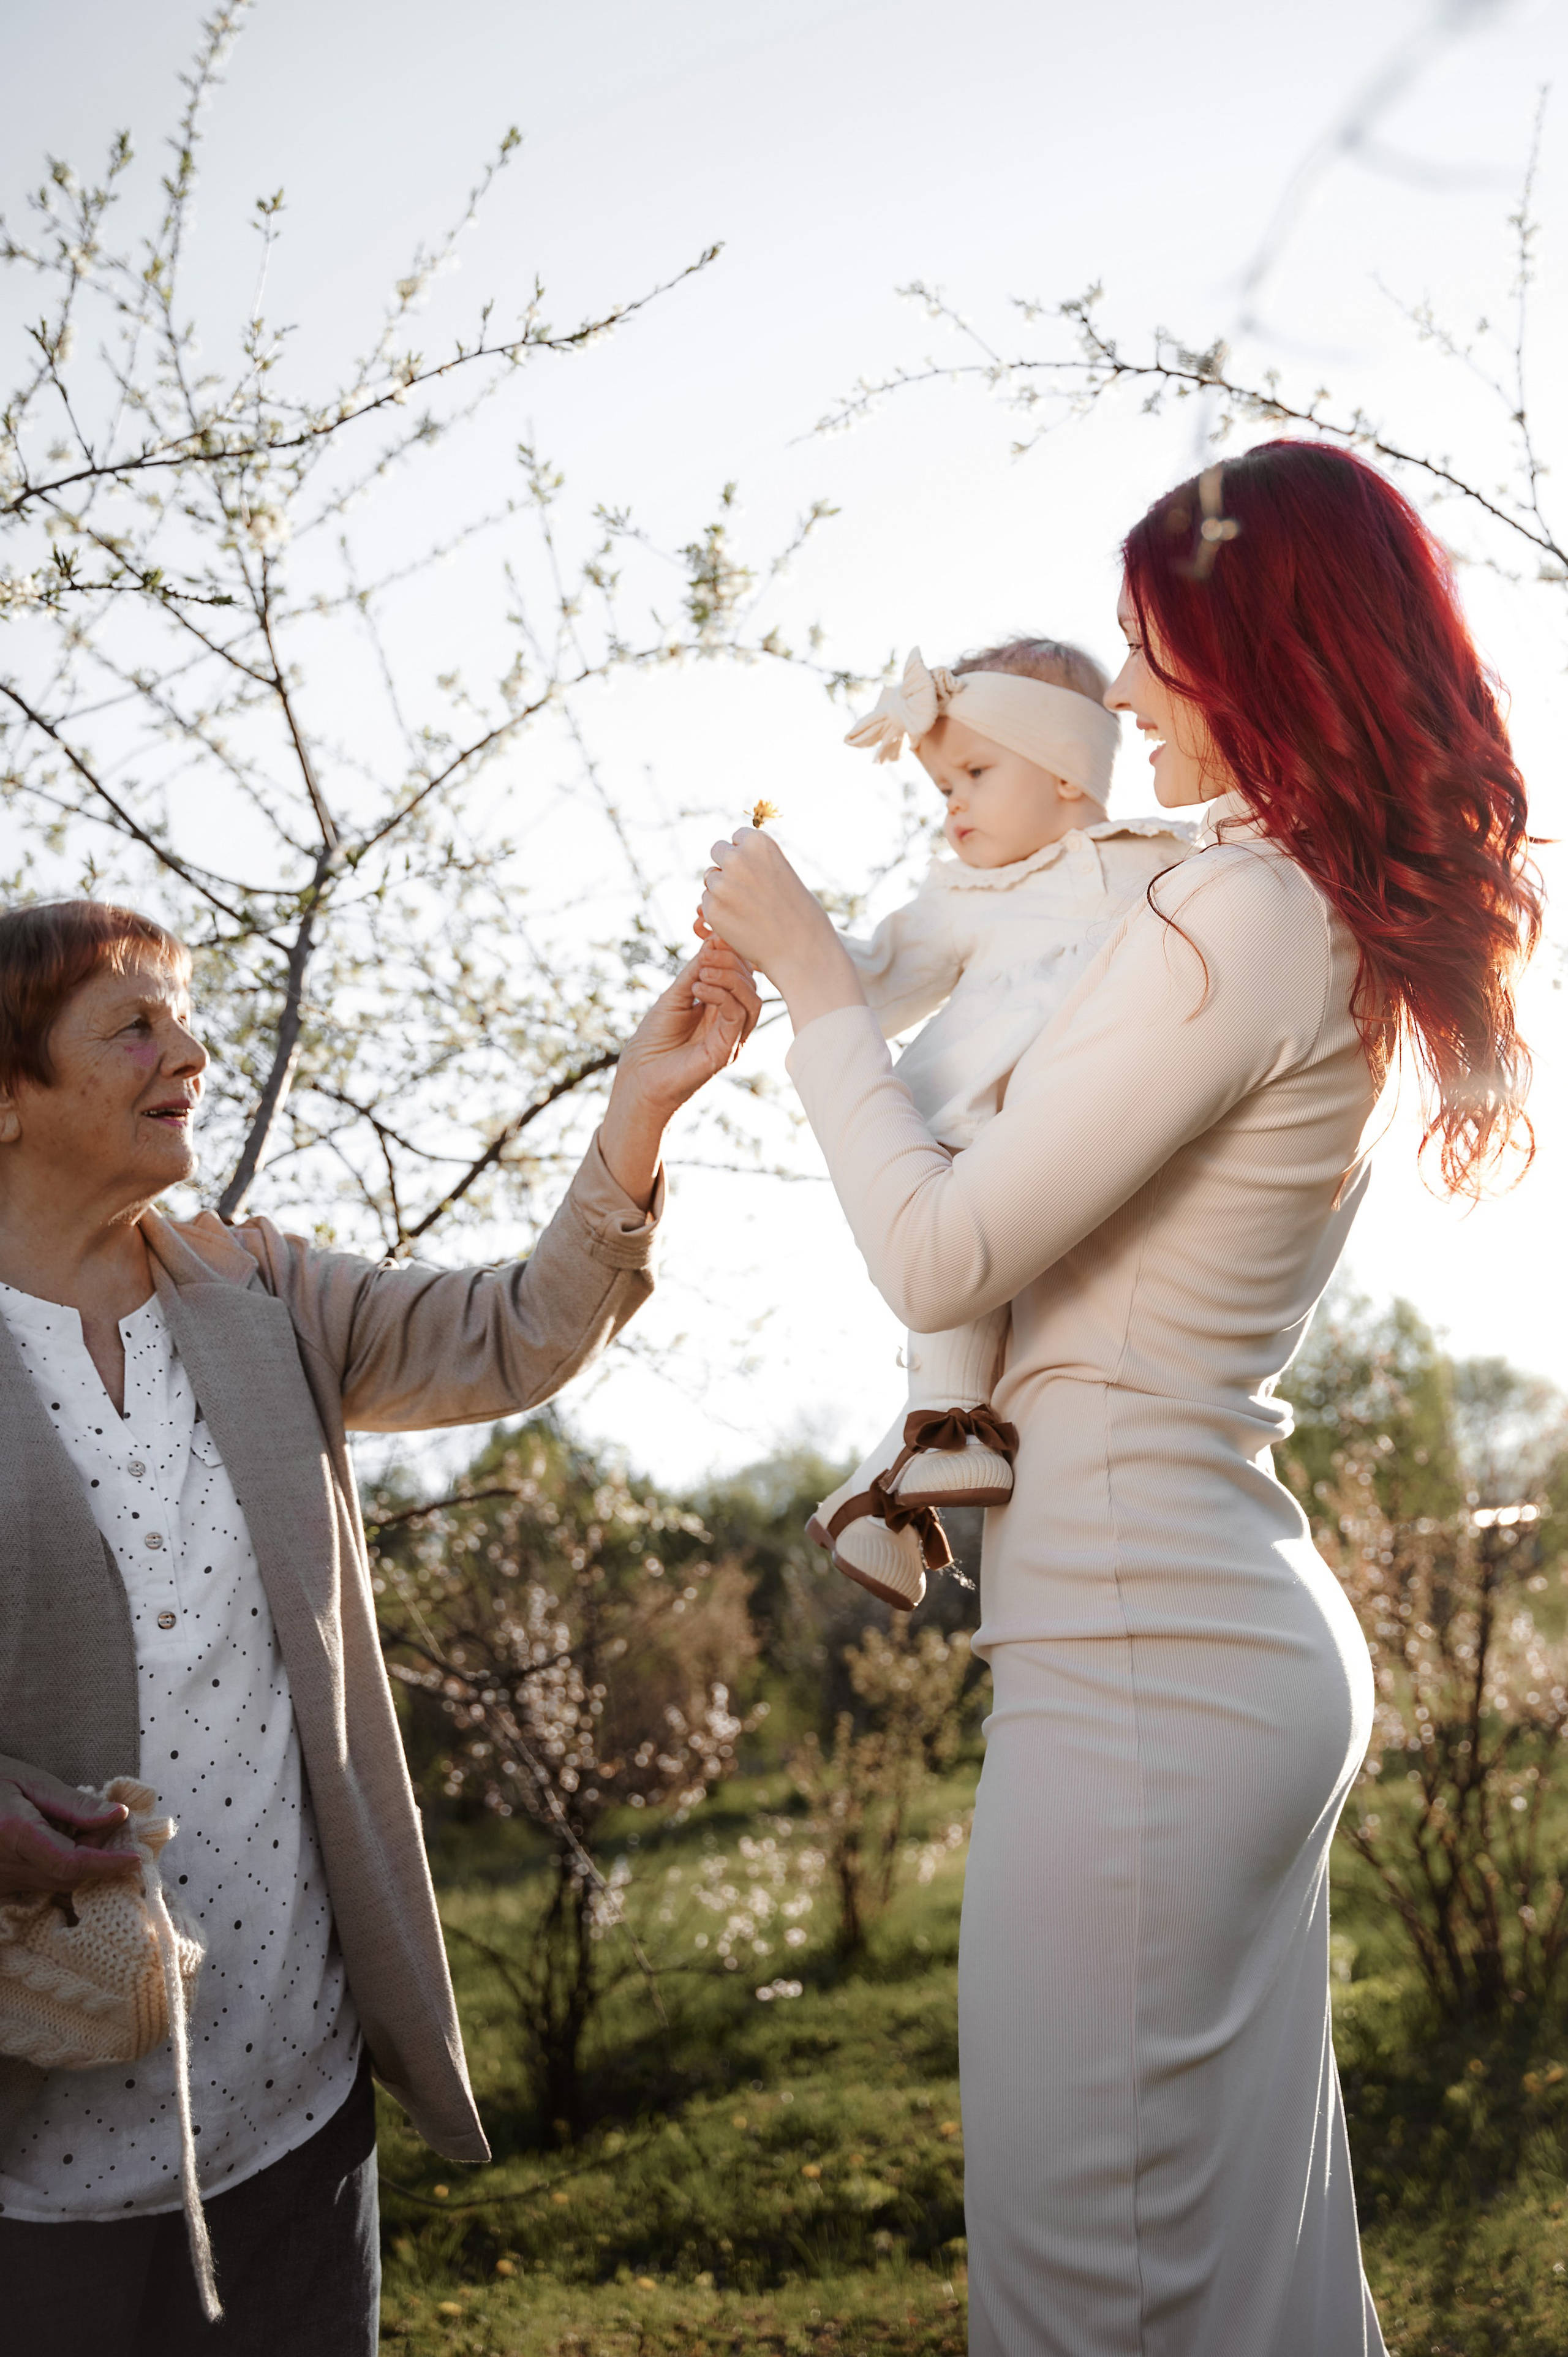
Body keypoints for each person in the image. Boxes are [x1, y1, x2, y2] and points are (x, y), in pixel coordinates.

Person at [701, 442, 1539, 2355]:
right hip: (1177, 1633)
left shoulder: (1244, 918)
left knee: (1085, 2299)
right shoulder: (1247, 899)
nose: (1131, 688)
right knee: (1245, 2289)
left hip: (1152, 1657)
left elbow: (940, 1256)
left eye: (1154, 645)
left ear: (1261, 653)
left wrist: (825, 978)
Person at [0, 899, 758, 2356]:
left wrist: (638, 1107)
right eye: (134, 1025)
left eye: (187, 1015)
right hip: (34, 2172)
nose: (193, 1052)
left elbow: (521, 1329)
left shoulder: (263, 1292)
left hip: (295, 2121)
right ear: (10, 1090)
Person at [810, 636, 1191, 1608]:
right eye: (943, 789)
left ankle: (894, 1492)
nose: (956, 807)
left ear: (1068, 768)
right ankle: (935, 1442)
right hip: (967, 1129)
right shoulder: (963, 896)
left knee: (1001, 1316)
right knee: (957, 1277)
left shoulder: (1164, 863)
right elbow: (874, 983)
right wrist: (781, 944)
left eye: (975, 773)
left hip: (1080, 1139)